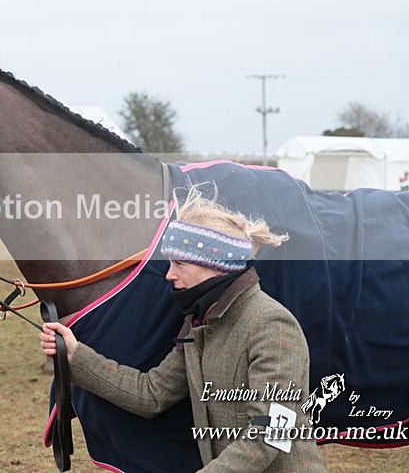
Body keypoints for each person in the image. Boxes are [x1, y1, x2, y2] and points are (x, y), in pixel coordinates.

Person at [39, 187, 327, 472]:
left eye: (179, 263)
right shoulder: (199, 326)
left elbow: (271, 433)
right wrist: (75, 355)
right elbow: (152, 394)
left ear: (215, 266)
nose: (169, 274)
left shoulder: (271, 324)